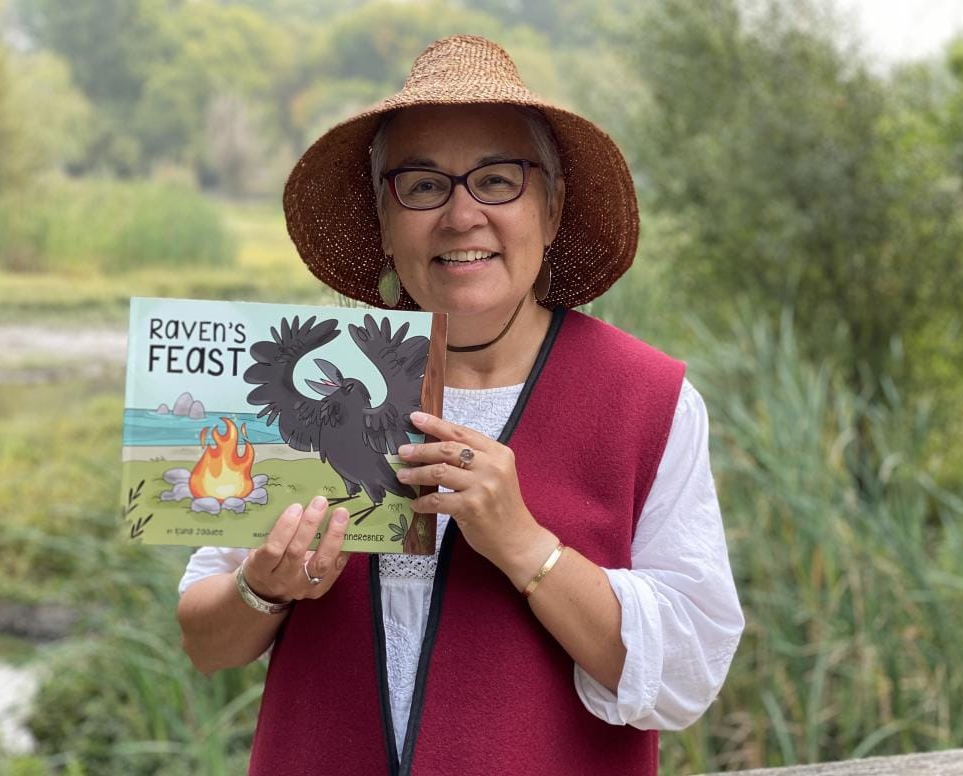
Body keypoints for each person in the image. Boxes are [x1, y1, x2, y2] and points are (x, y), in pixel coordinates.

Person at [176, 35, 744, 776]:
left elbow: (686, 679)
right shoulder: (314, 380)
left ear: (551, 203)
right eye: (421, 185)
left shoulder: (651, 401)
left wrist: (525, 545)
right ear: (383, 220)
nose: (461, 214)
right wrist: (263, 586)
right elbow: (202, 641)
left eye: (498, 180)